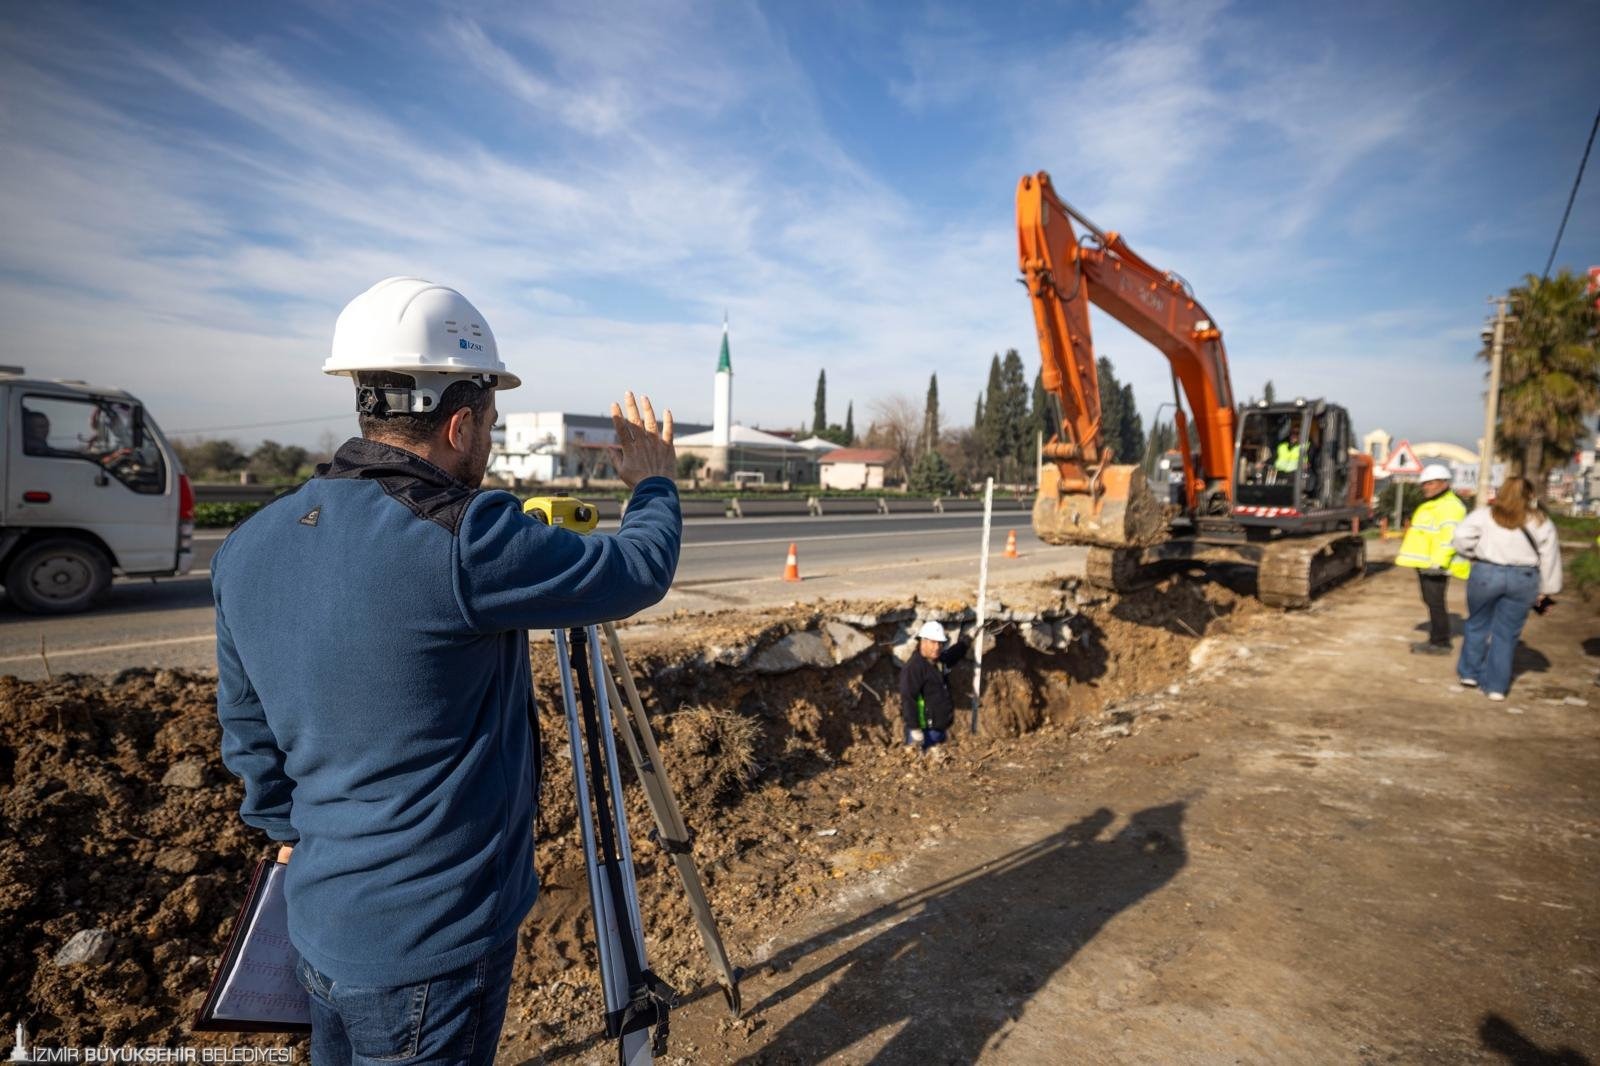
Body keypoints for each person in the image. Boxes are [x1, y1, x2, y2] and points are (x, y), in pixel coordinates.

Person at [211, 277, 681, 1065]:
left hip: (317, 918)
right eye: (490, 425)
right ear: (461, 424)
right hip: (434, 942)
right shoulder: (467, 538)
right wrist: (655, 485)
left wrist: (284, 829)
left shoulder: (249, 543)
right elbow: (636, 569)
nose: (489, 444)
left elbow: (248, 729)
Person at [1451, 477, 1562, 700]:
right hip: (1524, 578)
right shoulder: (1541, 521)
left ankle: (1470, 674)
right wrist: (1548, 589)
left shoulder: (1484, 515)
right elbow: (1550, 557)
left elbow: (1460, 537)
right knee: (1506, 634)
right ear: (1530, 496)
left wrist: (1471, 553)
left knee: (1477, 623)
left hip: (1487, 573)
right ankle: (1496, 687)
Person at [1397, 463, 1469, 654]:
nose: (1426, 487)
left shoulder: (1451, 507)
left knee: (1435, 602)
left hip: (1435, 565)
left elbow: (1450, 538)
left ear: (1444, 483)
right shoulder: (1432, 505)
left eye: (1430, 483)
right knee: (1431, 601)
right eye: (1424, 484)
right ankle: (1438, 639)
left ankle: (1440, 642)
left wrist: (1439, 562)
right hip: (1426, 563)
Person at [899, 620, 969, 750]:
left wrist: (965, 642)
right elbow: (908, 698)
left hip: (938, 730)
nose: (937, 647)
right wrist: (914, 729)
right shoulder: (914, 668)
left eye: (940, 643)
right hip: (924, 732)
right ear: (922, 642)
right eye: (933, 642)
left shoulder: (936, 661)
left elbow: (950, 656)